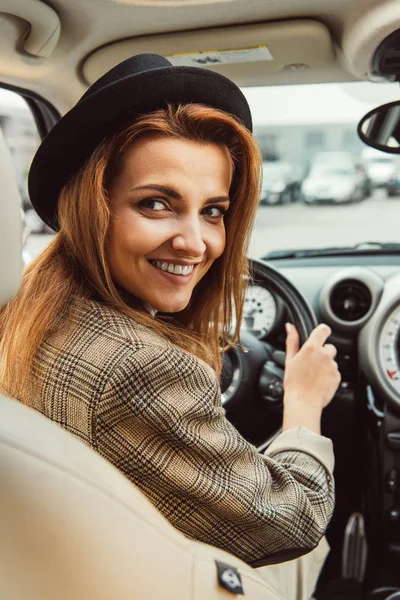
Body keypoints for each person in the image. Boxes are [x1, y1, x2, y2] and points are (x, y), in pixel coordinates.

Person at [0, 54, 340, 598]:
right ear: (93, 205)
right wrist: (304, 407)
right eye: (156, 204)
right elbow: (291, 523)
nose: (196, 243)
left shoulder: (21, 315)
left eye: (213, 211)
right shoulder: (141, 368)